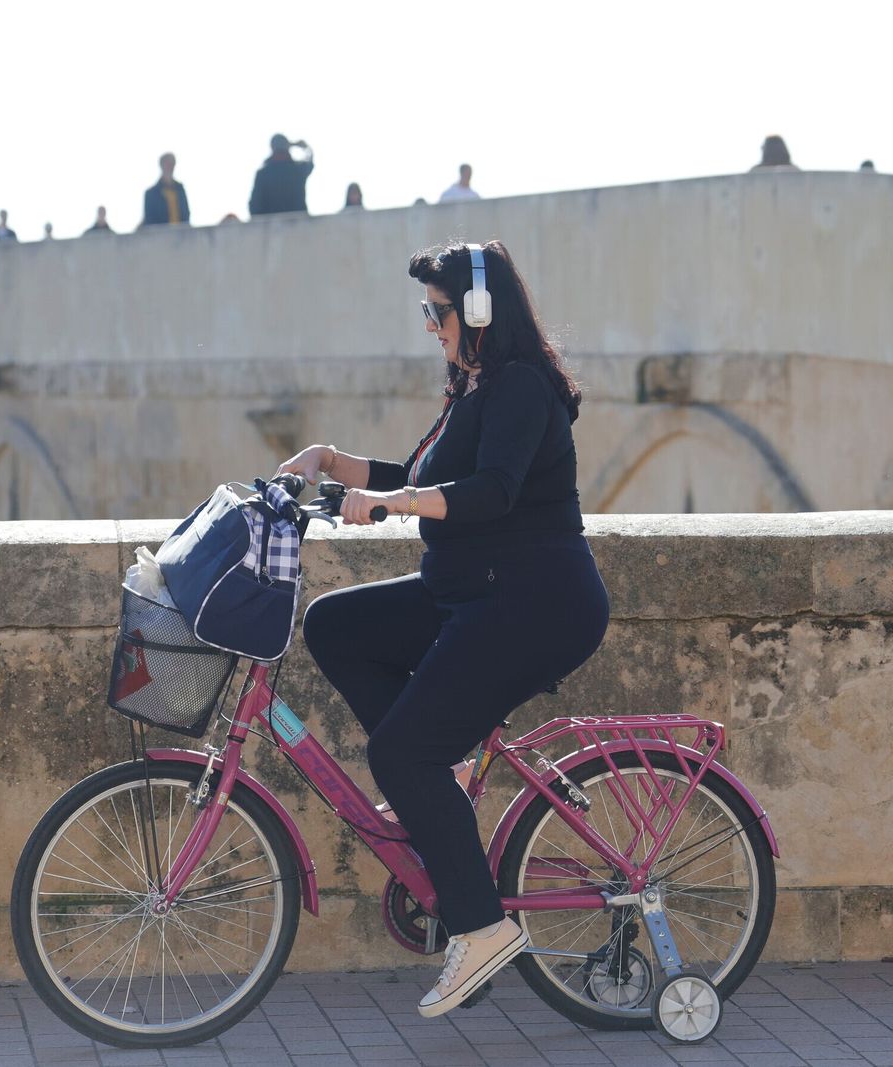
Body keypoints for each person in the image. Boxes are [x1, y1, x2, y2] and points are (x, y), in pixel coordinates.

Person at [277, 240, 609, 1018]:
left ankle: (482, 925)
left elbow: (489, 494)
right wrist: (331, 461)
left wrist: (393, 509)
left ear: (481, 311)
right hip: (472, 590)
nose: (431, 326)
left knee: (401, 750)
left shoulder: (521, 387)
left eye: (439, 311)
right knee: (336, 625)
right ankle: (435, 785)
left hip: (533, 602)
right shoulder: (477, 385)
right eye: (427, 312)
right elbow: (416, 474)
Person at [249, 133, 314, 217]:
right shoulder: (297, 170)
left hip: (272, 226)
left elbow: (254, 206)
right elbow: (310, 162)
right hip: (294, 225)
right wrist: (305, 148)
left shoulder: (263, 174)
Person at [141, 153, 191, 226]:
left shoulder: (180, 189)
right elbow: (150, 219)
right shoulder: (151, 193)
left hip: (181, 233)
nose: (170, 166)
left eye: (172, 163)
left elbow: (186, 213)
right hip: (161, 235)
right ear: (161, 165)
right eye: (167, 163)